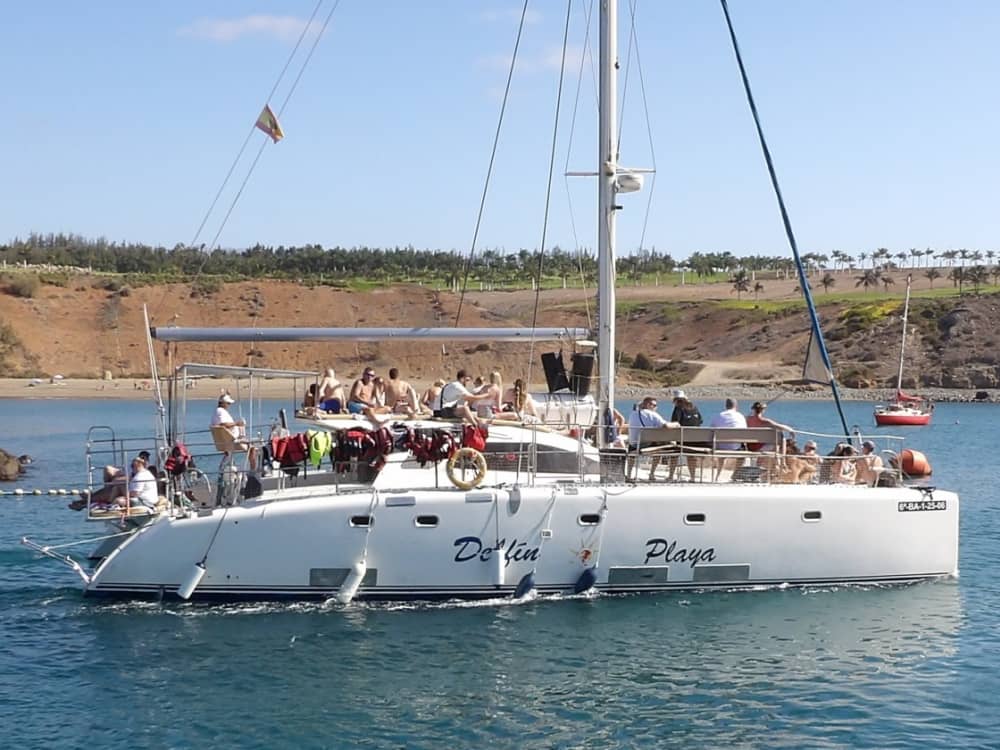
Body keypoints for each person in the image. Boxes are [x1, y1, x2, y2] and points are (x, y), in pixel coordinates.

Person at [627, 396, 671, 480]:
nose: (655, 408)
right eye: (654, 405)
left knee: (632, 445)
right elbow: (666, 425)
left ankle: (629, 474)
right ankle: (652, 473)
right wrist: (676, 424)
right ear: (648, 405)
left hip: (633, 445)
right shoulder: (652, 414)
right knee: (660, 447)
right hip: (646, 445)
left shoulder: (633, 413)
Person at [710, 398, 748, 480]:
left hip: (721, 447)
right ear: (736, 406)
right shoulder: (740, 416)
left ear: (726, 406)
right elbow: (745, 432)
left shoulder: (719, 416)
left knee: (721, 454)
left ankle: (717, 476)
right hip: (736, 448)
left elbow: (711, 430)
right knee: (743, 455)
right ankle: (735, 474)